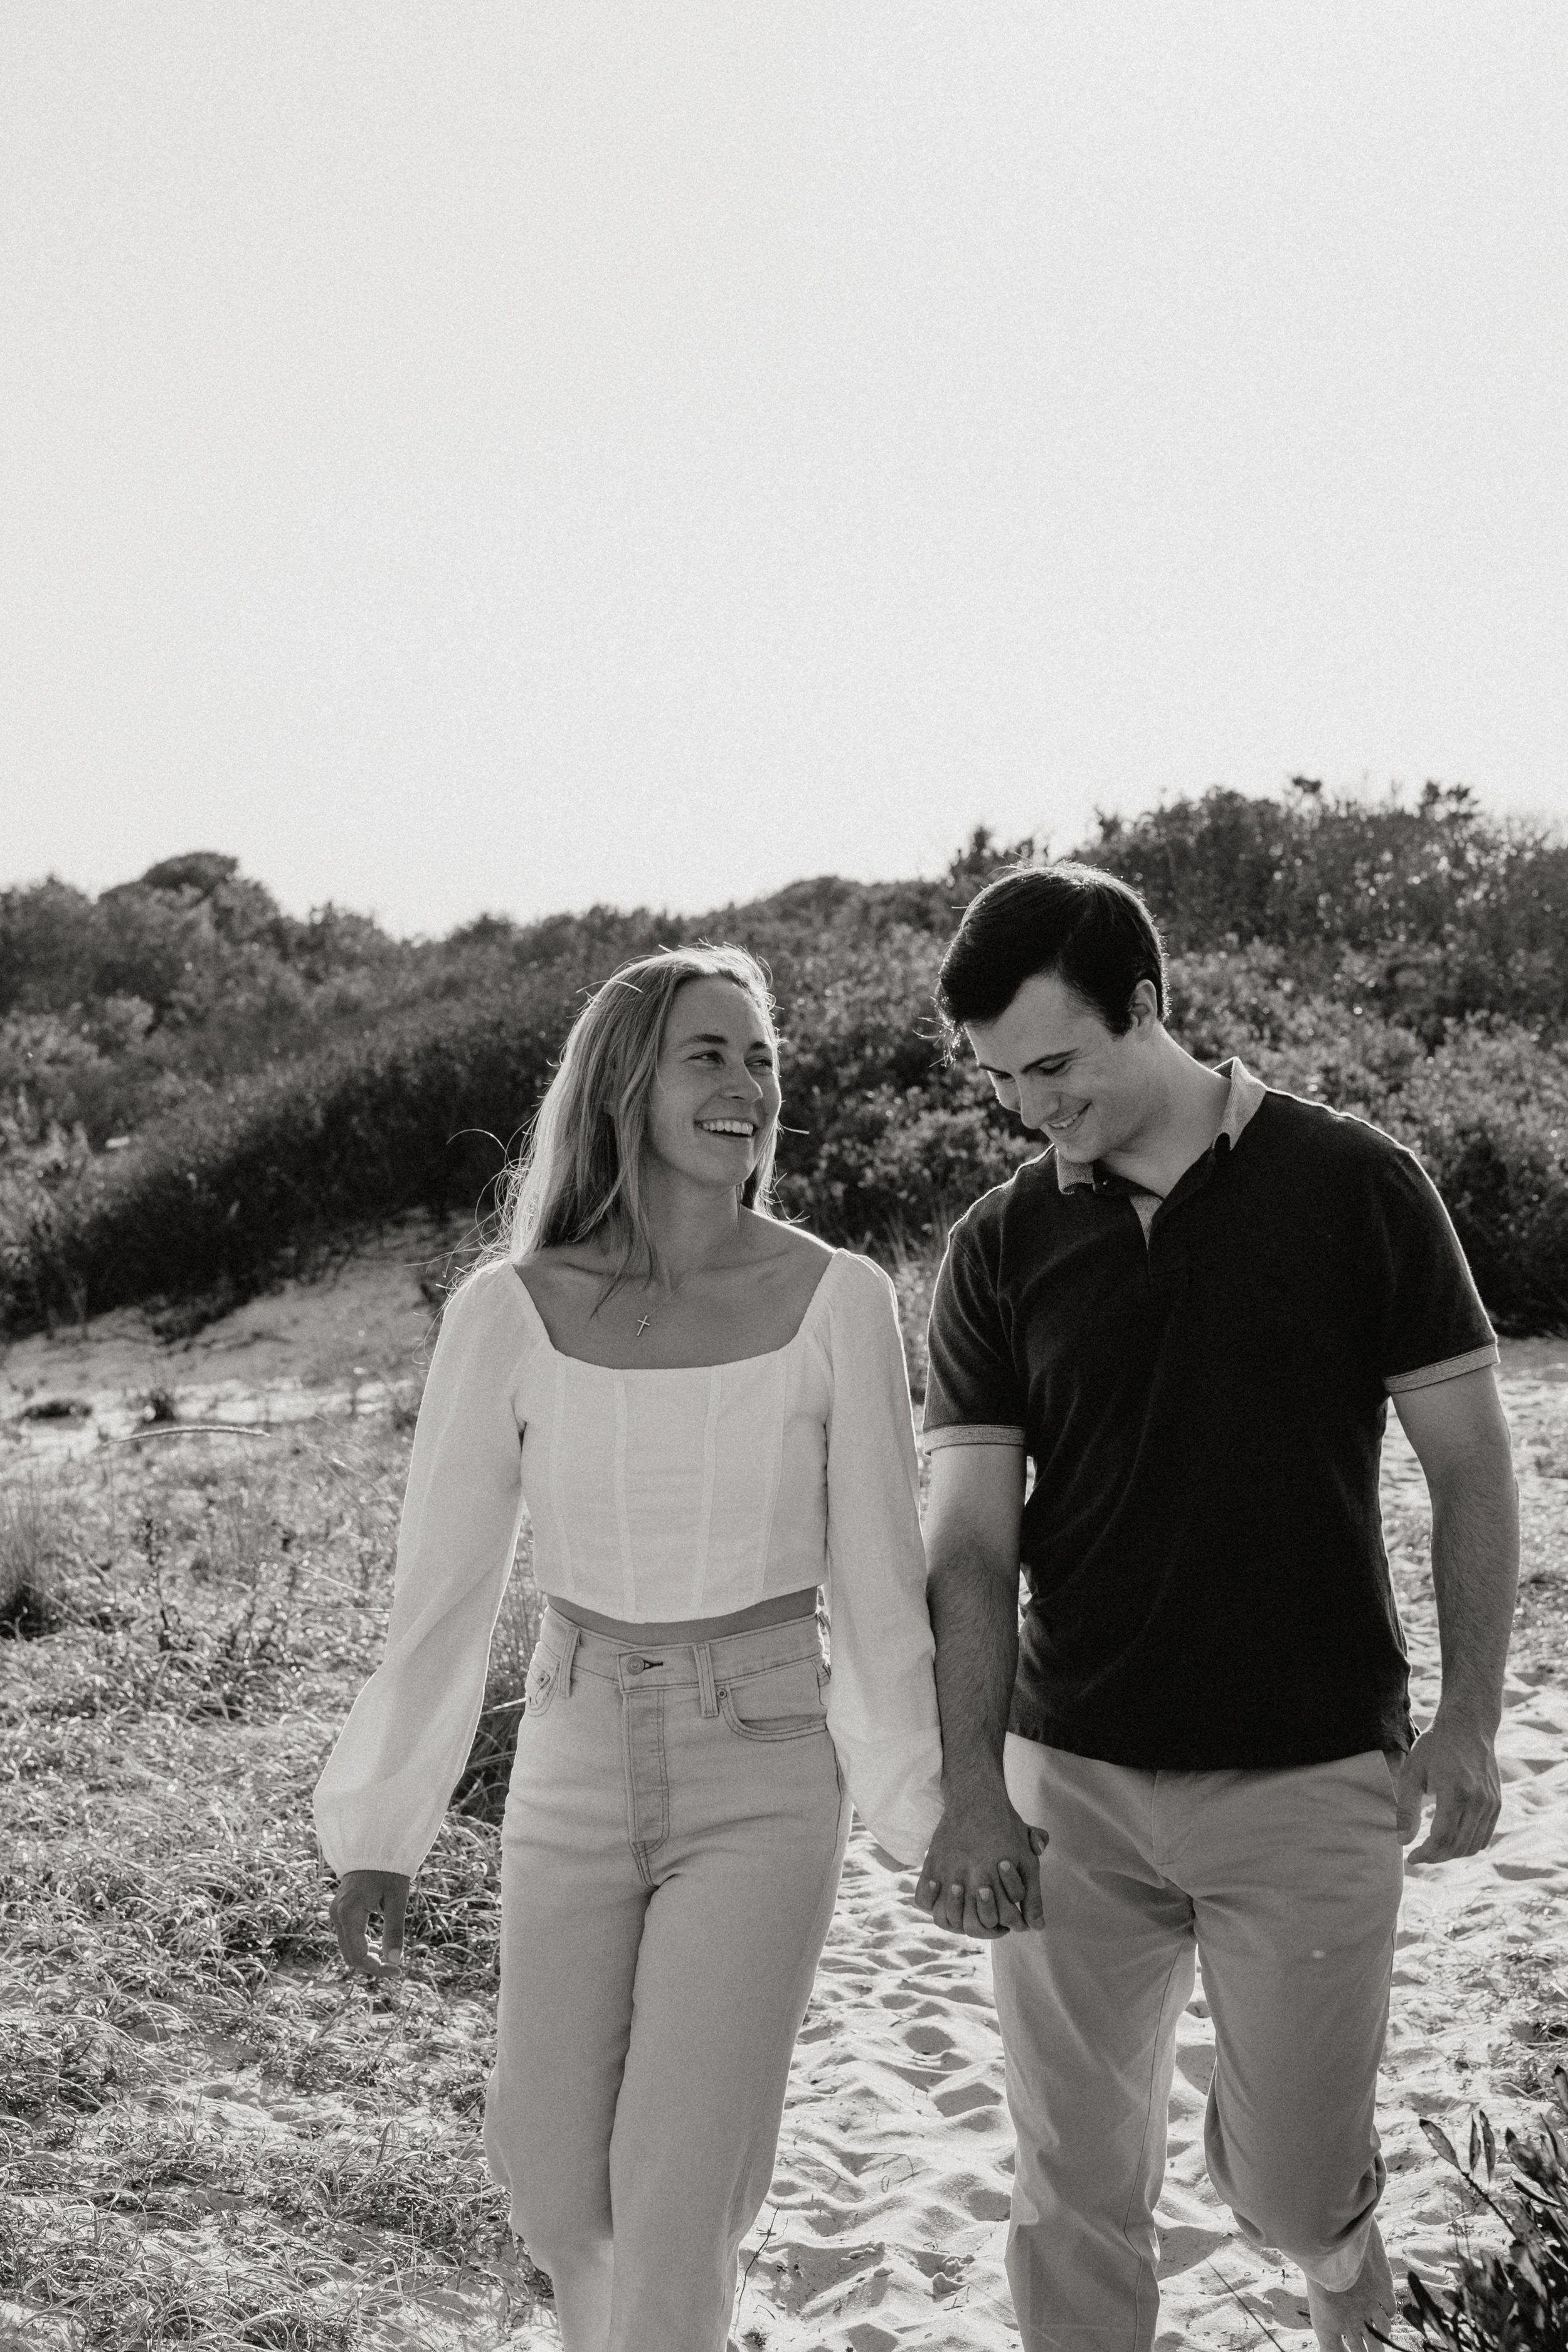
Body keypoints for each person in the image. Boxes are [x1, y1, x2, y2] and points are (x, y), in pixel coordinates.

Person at [913, 864, 1518, 2352]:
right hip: (1076, 1785)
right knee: (1069, 2191)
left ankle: (1324, 2246)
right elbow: (972, 1548)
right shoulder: (997, 1245)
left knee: (1298, 2190)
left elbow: (1469, 1466)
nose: (1029, 1109)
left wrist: (1465, 1721)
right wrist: (971, 1790)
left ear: (1148, 1006)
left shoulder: (1354, 1183)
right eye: (998, 1082)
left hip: (1308, 1776)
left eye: (1053, 1066)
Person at [313, 943, 943, 2352]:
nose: (745, 1086)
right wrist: (381, 1826)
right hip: (574, 1748)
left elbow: (881, 1591)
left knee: (674, 2205)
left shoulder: (838, 1298)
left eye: (760, 1058)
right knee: (550, 2187)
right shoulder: (508, 1310)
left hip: (767, 1762)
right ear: (622, 1088)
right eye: (706, 1055)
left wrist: (920, 1810)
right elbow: (447, 1590)